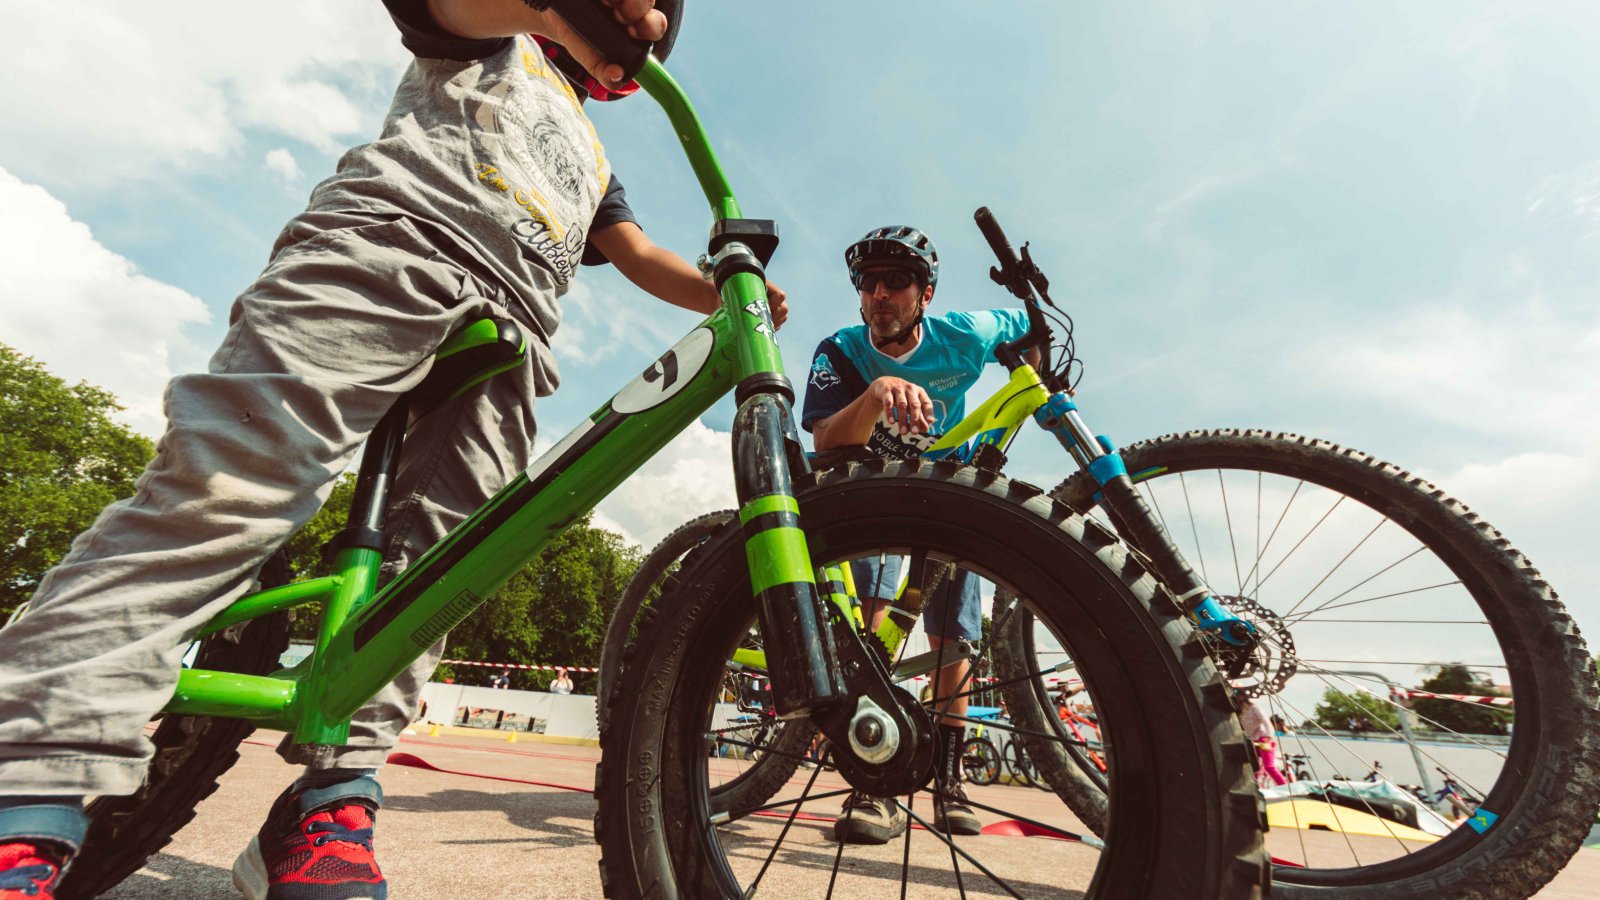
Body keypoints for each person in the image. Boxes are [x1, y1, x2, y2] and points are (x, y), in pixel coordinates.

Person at [0, 3, 789, 899]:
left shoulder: (596, 156)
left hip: (512, 338)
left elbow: (636, 250)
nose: (642, 13)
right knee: (229, 489)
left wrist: (725, 284)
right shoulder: (501, 37)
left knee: (440, 574)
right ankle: (30, 777)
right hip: (389, 250)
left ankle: (331, 797)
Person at [802, 225, 1038, 844]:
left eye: (897, 282)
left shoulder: (964, 334)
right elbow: (824, 437)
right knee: (874, 622)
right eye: (868, 283)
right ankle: (870, 782)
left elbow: (1027, 328)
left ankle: (949, 780)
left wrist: (1031, 369)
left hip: (948, 486)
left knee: (954, 637)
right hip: (872, 495)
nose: (880, 294)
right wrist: (877, 393)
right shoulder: (842, 350)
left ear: (924, 294)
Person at [1240, 696, 1287, 787]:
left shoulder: (1254, 708)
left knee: (1269, 767)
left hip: (1263, 738)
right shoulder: (1237, 711)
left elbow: (1268, 725)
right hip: (1251, 740)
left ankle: (1285, 787)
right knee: (1254, 769)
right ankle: (1257, 789)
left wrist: (1268, 742)